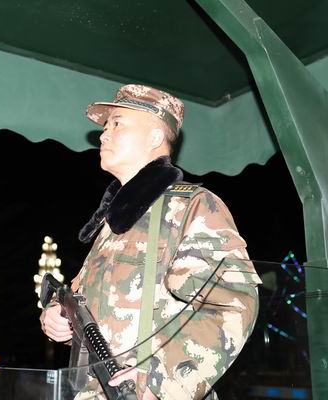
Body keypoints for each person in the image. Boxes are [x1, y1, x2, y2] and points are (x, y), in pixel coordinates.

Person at [40, 84, 261, 400]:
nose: (103, 135)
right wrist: (57, 316)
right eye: (105, 126)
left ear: (156, 137)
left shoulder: (193, 207)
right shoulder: (113, 222)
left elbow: (234, 303)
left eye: (117, 124)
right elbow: (82, 299)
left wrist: (163, 380)